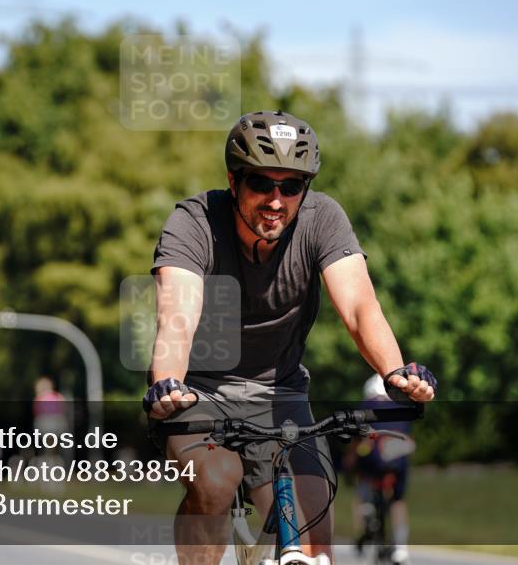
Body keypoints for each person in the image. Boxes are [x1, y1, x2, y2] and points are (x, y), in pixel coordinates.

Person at [143, 110, 437, 565]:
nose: (276, 200)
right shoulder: (195, 221)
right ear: (234, 180)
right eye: (262, 183)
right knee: (218, 480)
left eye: (292, 186)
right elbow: (177, 313)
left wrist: (394, 372)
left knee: (316, 540)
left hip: (280, 392)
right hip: (197, 391)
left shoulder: (323, 219)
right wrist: (168, 382)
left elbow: (360, 307)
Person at [349, 374, 415, 564]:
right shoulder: (402, 407)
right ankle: (401, 548)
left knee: (363, 482)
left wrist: (350, 462)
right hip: (398, 457)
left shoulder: (365, 406)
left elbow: (357, 439)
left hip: (374, 457)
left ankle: (366, 511)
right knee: (398, 501)